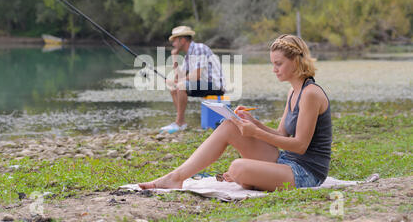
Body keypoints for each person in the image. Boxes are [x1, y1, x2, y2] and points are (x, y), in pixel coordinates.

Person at [140, 34, 332, 191]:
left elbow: (299, 146)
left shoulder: (311, 93)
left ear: (296, 62)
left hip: (306, 174)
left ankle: (250, 177)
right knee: (230, 125)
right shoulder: (293, 91)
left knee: (237, 167)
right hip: (286, 161)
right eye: (273, 63)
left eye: (278, 64)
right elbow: (282, 134)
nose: (274, 69)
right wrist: (254, 122)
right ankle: (176, 177)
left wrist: (255, 133)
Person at [160, 26, 226, 134]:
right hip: (203, 84)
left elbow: (196, 75)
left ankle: (179, 123)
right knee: (173, 88)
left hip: (215, 86)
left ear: (183, 40)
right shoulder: (188, 56)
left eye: (175, 40)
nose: (173, 44)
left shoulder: (199, 48)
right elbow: (180, 77)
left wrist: (179, 82)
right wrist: (174, 58)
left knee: (181, 86)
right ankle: (182, 122)